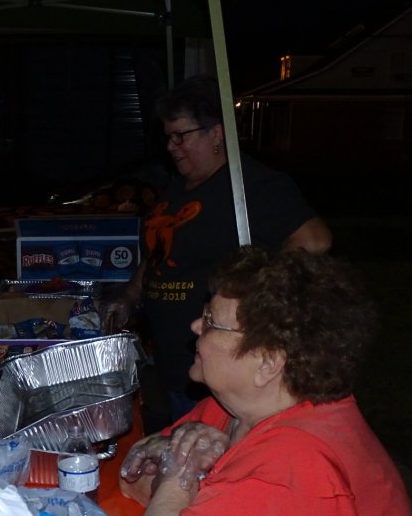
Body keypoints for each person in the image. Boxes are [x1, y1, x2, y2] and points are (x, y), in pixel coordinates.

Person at [119, 246, 412, 516]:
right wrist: (174, 467)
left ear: (267, 363)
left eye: (212, 321)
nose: (196, 325)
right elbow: (135, 477)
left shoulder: (301, 460)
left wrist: (182, 466)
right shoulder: (233, 410)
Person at [105, 75, 331, 427]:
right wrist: (130, 295)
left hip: (218, 372)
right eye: (168, 137)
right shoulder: (177, 187)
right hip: (175, 360)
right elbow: (157, 255)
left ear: (216, 133)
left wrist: (251, 295)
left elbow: (314, 240)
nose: (171, 147)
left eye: (181, 135)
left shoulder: (251, 184)